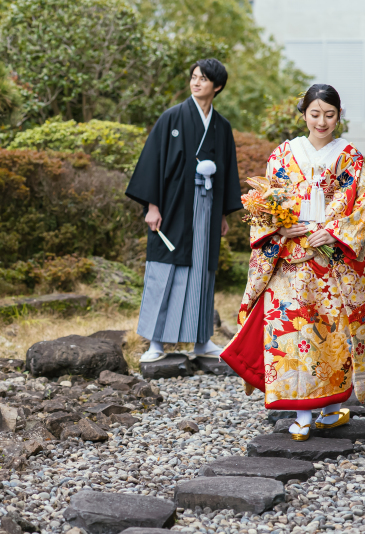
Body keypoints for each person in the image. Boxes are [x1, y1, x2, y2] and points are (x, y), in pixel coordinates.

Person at [220, 84, 365, 440]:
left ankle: (331, 410)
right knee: (292, 332)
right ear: (303, 113)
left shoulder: (349, 156)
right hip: (290, 260)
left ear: (339, 116)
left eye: (329, 115)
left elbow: (363, 202)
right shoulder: (283, 154)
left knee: (332, 332)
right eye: (315, 114)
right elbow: (265, 202)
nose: (322, 121)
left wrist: (332, 232)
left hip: (331, 259)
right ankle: (300, 413)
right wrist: (280, 228)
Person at [126, 58, 243, 363]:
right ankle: (156, 342)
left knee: (201, 270)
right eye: (193, 77)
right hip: (174, 204)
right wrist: (152, 206)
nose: (195, 83)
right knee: (165, 269)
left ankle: (201, 340)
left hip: (207, 206)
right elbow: (153, 161)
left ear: (217, 86)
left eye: (203, 79)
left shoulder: (221, 126)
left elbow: (228, 171)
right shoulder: (172, 117)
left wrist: (222, 215)